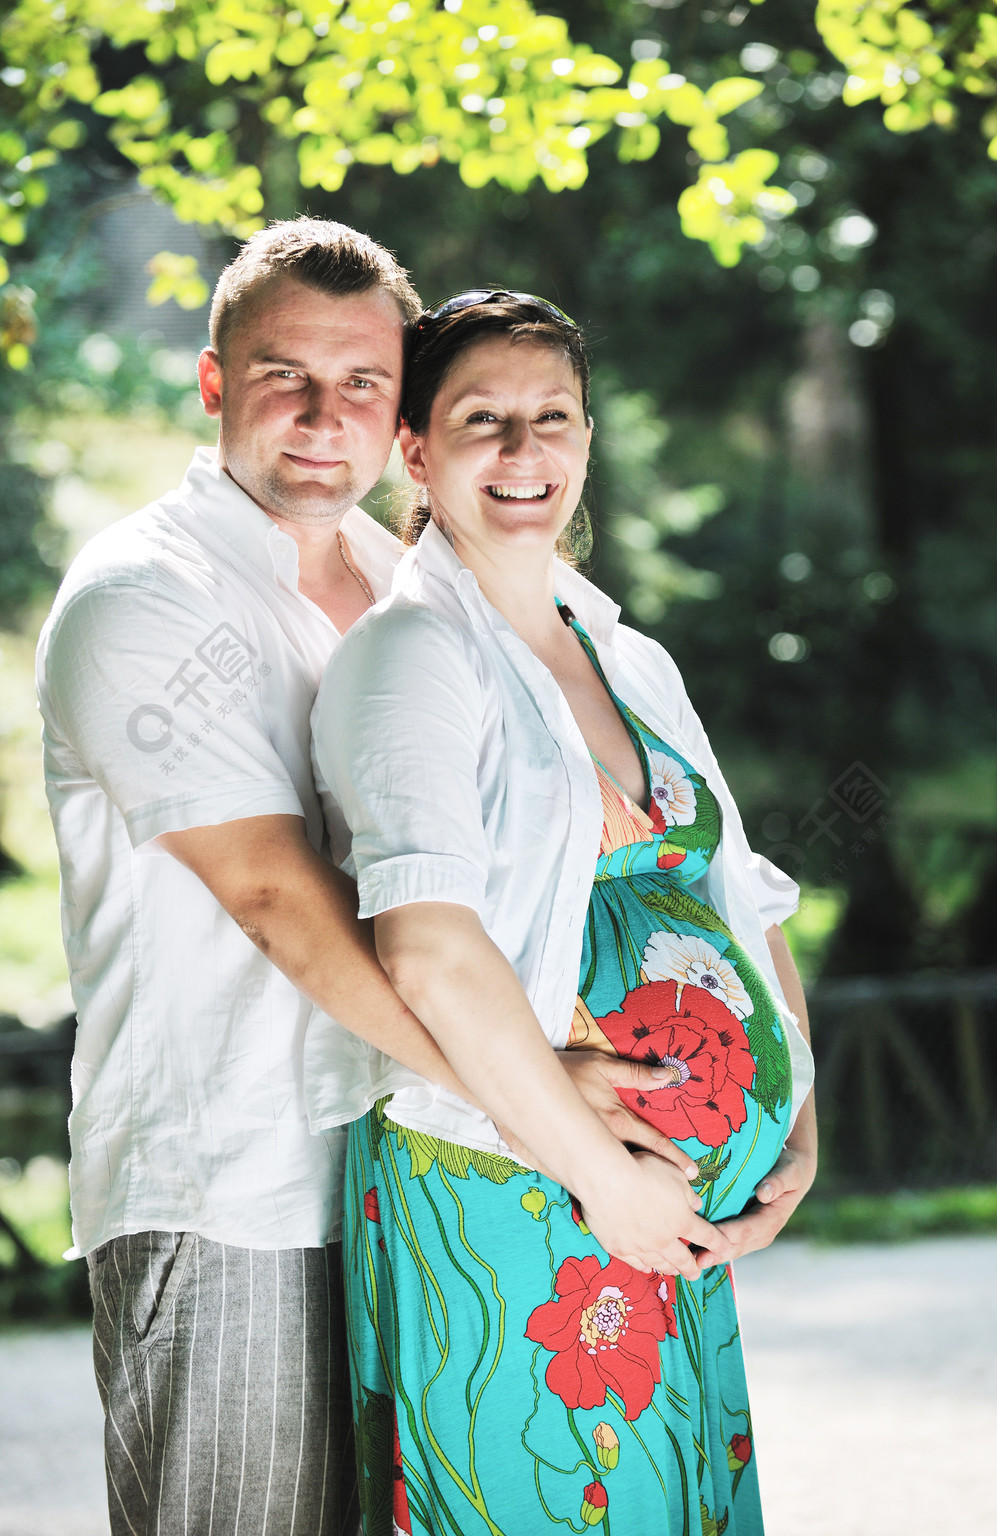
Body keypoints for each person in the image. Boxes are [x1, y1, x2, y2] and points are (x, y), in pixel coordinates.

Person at [36, 222, 699, 1536]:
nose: (323, 416)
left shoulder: (419, 595)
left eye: (364, 384)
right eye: (285, 375)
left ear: (401, 414)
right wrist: (534, 1102)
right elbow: (277, 900)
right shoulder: (144, 595)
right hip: (239, 1186)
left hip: (424, 1183)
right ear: (217, 382)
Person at [311, 290, 817, 1534]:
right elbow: (428, 950)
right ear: (416, 451)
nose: (524, 453)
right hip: (516, 1186)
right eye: (483, 420)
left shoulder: (627, 656)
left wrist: (794, 1128)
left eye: (554, 419)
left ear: (588, 441)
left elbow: (738, 896)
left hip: (661, 1215)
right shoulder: (411, 657)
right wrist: (604, 1177)